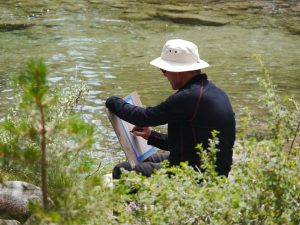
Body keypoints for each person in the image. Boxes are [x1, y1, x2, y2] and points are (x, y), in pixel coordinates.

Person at [106, 39, 235, 179]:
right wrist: (151, 135)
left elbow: (143, 117)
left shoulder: (188, 97)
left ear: (178, 71)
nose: (164, 74)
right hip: (205, 167)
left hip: (197, 175)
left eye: (164, 70)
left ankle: (142, 201)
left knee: (122, 172)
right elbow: (185, 143)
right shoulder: (212, 92)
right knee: (138, 163)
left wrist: (112, 101)